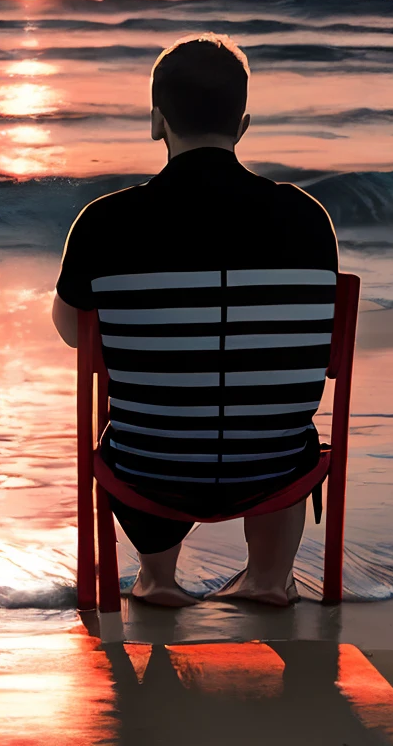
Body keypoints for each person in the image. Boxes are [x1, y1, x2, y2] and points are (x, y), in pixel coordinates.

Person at [53, 32, 337, 608]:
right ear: (243, 123)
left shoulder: (106, 222)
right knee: (279, 417)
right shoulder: (307, 219)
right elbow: (319, 349)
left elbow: (78, 336)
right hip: (276, 466)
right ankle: (266, 579)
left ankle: (156, 579)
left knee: (146, 418)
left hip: (149, 468)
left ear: (157, 121)